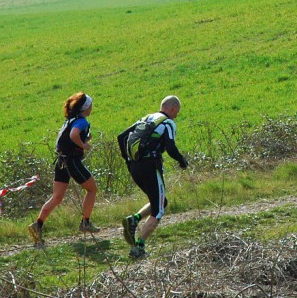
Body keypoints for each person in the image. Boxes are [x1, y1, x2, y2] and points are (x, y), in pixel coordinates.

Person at [117, 94, 188, 259]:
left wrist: (129, 162)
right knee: (159, 209)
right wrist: (182, 160)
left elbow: (121, 137)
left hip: (135, 166)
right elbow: (170, 147)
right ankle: (139, 247)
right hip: (151, 165)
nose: (177, 115)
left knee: (160, 200)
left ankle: (134, 219)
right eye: (177, 111)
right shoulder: (168, 122)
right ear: (172, 108)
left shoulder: (147, 118)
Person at [28, 92, 100, 245]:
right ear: (86, 108)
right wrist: (84, 145)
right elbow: (74, 136)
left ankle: (38, 225)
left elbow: (68, 138)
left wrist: (85, 138)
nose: (92, 108)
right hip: (72, 161)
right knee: (92, 189)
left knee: (57, 197)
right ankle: (85, 223)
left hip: (61, 161)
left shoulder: (69, 121)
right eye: (91, 105)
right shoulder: (82, 122)